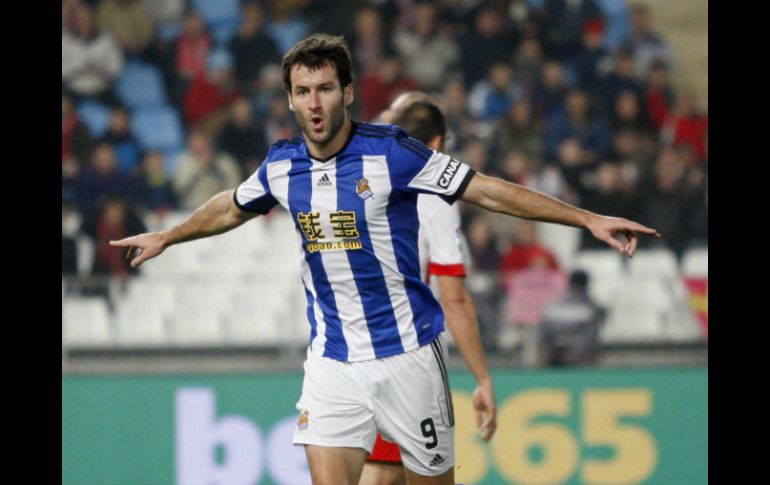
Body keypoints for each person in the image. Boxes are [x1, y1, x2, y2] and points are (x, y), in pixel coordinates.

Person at [111, 34, 660, 485]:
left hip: (409, 358)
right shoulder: (280, 166)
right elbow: (230, 208)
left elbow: (486, 190)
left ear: (347, 92)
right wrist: (170, 234)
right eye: (303, 91)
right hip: (332, 360)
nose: (315, 102)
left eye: (326, 88)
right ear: (289, 99)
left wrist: (586, 218)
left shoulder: (392, 153)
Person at [358, 96, 497, 485]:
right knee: (384, 476)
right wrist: (482, 378)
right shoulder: (433, 191)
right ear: (437, 144)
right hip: (402, 351)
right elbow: (453, 298)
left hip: (348, 345)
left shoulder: (361, 173)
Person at [538, 269, 605, 366]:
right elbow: (591, 337)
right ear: (586, 284)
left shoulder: (554, 304)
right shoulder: (590, 307)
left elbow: (543, 333)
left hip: (554, 354)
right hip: (579, 357)